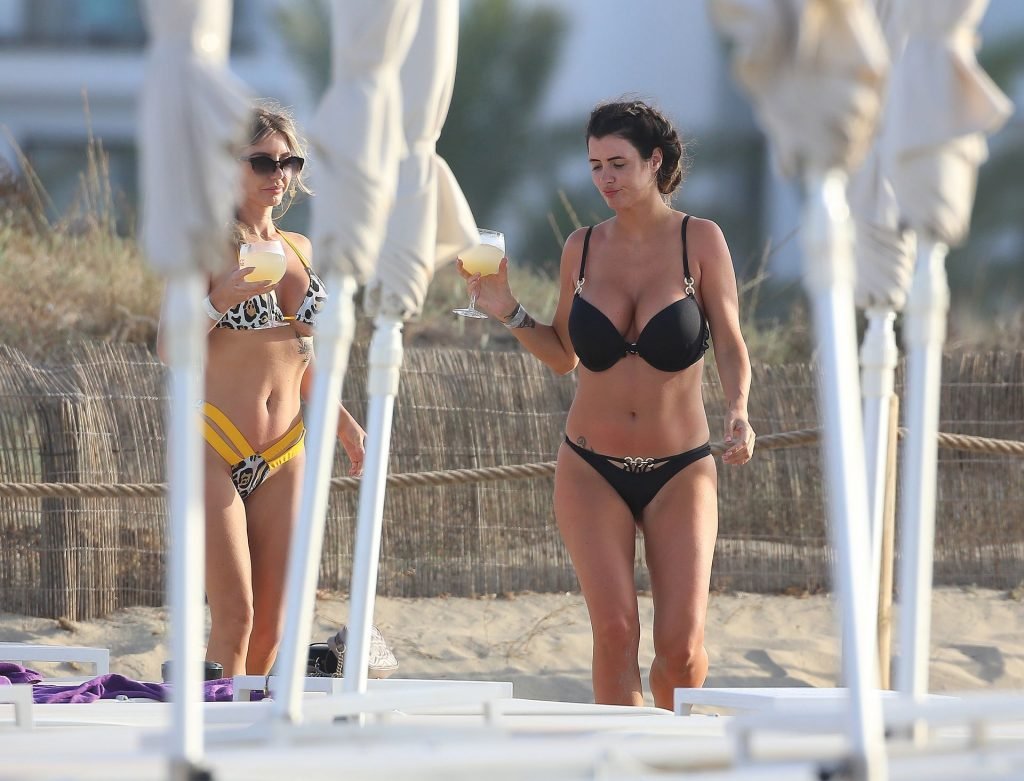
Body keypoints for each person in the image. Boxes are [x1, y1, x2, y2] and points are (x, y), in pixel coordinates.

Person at [459, 99, 755, 708]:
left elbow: (729, 341)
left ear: (655, 161)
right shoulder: (583, 247)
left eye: (618, 164)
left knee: (681, 647)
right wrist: (508, 310)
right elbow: (564, 355)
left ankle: (675, 749)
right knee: (615, 632)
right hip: (591, 466)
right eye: (595, 166)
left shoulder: (699, 239)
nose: (605, 179)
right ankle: (623, 754)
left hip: (680, 468)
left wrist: (738, 409)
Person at [157, 102, 366, 677]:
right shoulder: (201, 244)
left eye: (288, 162)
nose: (279, 174)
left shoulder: (300, 248)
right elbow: (169, 347)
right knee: (237, 616)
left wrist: (345, 424)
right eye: (263, 161)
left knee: (275, 622)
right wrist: (219, 299)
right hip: (213, 445)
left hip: (285, 450)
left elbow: (301, 355)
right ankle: (209, 718)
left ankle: (244, 725)